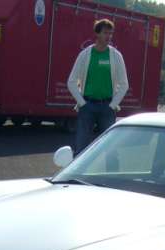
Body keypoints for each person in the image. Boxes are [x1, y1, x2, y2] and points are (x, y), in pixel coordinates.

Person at [67, 19, 129, 155]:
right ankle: (79, 169)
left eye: (111, 33)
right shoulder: (85, 55)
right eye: (105, 33)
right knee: (81, 147)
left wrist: (113, 105)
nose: (109, 36)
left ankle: (111, 170)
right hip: (87, 106)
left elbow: (124, 84)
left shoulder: (116, 56)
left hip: (107, 107)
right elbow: (71, 81)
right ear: (97, 33)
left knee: (111, 150)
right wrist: (82, 103)